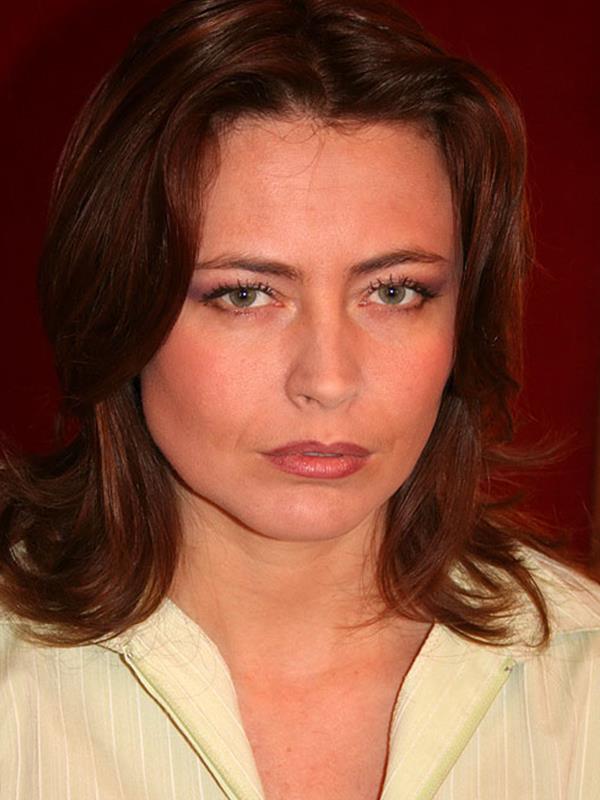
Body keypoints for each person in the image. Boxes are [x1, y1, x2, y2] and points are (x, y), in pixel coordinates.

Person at [1, 0, 599, 798]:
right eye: (246, 294)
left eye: (394, 291)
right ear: (119, 306)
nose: (328, 378)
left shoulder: (583, 683)